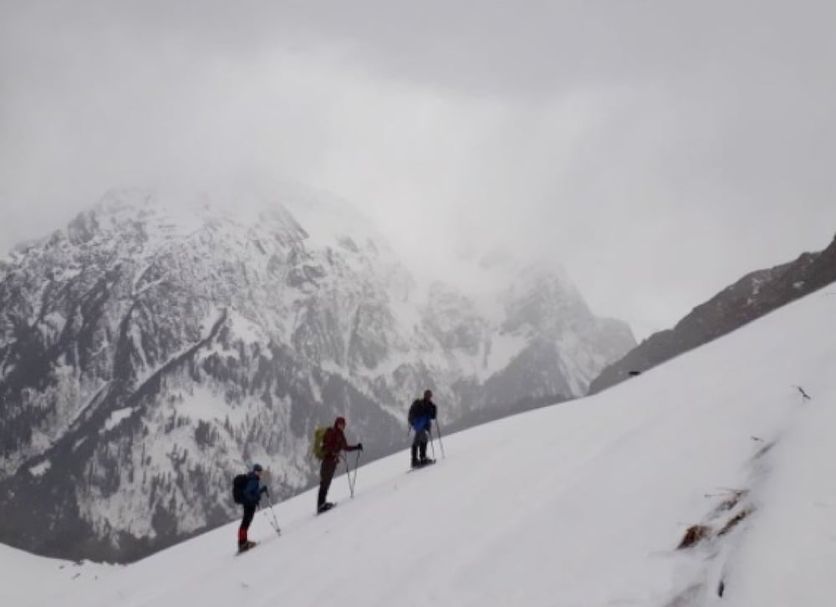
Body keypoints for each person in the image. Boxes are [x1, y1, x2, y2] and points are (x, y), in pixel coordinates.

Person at [317, 416, 362, 513]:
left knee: (327, 482)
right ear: (337, 424)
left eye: (343, 425)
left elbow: (346, 447)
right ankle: (320, 505)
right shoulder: (332, 432)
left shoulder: (340, 435)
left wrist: (357, 447)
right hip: (328, 461)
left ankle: (322, 503)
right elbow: (325, 447)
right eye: (340, 424)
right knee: (324, 482)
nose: (342, 426)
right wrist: (333, 452)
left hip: (332, 462)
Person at [238, 463, 268, 552]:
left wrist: (261, 490)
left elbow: (254, 492)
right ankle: (243, 543)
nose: (260, 474)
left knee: (246, 523)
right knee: (246, 523)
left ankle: (243, 542)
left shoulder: (252, 479)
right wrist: (254, 499)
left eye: (260, 472)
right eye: (259, 472)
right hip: (249, 505)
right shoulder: (253, 480)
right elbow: (248, 492)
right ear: (255, 471)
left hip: (248, 504)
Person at [408, 389, 437, 468]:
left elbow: (432, 416)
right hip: (419, 425)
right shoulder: (424, 404)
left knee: (416, 442)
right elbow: (428, 416)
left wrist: (433, 409)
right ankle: (423, 458)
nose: (430, 398)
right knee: (424, 439)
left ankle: (414, 461)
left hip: (417, 425)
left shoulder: (426, 404)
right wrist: (432, 409)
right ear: (427, 396)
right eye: (429, 396)